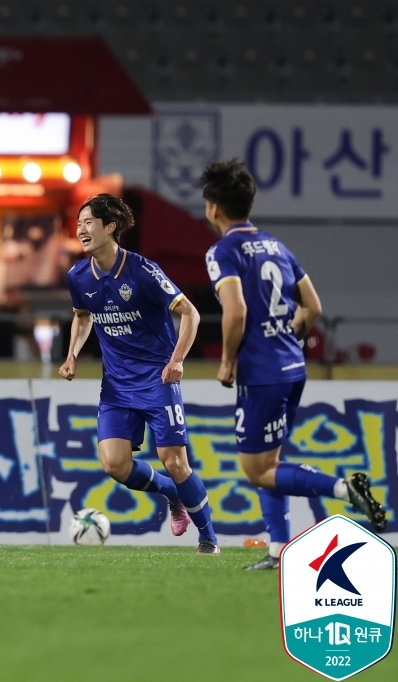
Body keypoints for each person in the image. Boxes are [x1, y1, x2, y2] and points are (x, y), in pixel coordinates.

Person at [197, 160, 386, 570]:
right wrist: (288, 333)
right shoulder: (276, 246)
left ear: (213, 207)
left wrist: (228, 360)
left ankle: (343, 488)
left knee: (257, 470)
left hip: (261, 373)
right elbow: (313, 307)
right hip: (292, 366)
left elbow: (236, 312)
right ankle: (279, 551)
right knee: (271, 462)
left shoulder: (222, 251)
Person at [59, 194, 220, 554]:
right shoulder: (78, 275)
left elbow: (190, 313)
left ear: (110, 227)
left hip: (158, 381)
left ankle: (208, 537)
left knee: (175, 461)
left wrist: (177, 360)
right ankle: (170, 493)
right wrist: (71, 354)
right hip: (116, 386)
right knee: (114, 464)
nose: (81, 230)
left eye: (89, 223)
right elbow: (82, 316)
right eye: (79, 223)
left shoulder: (143, 272)